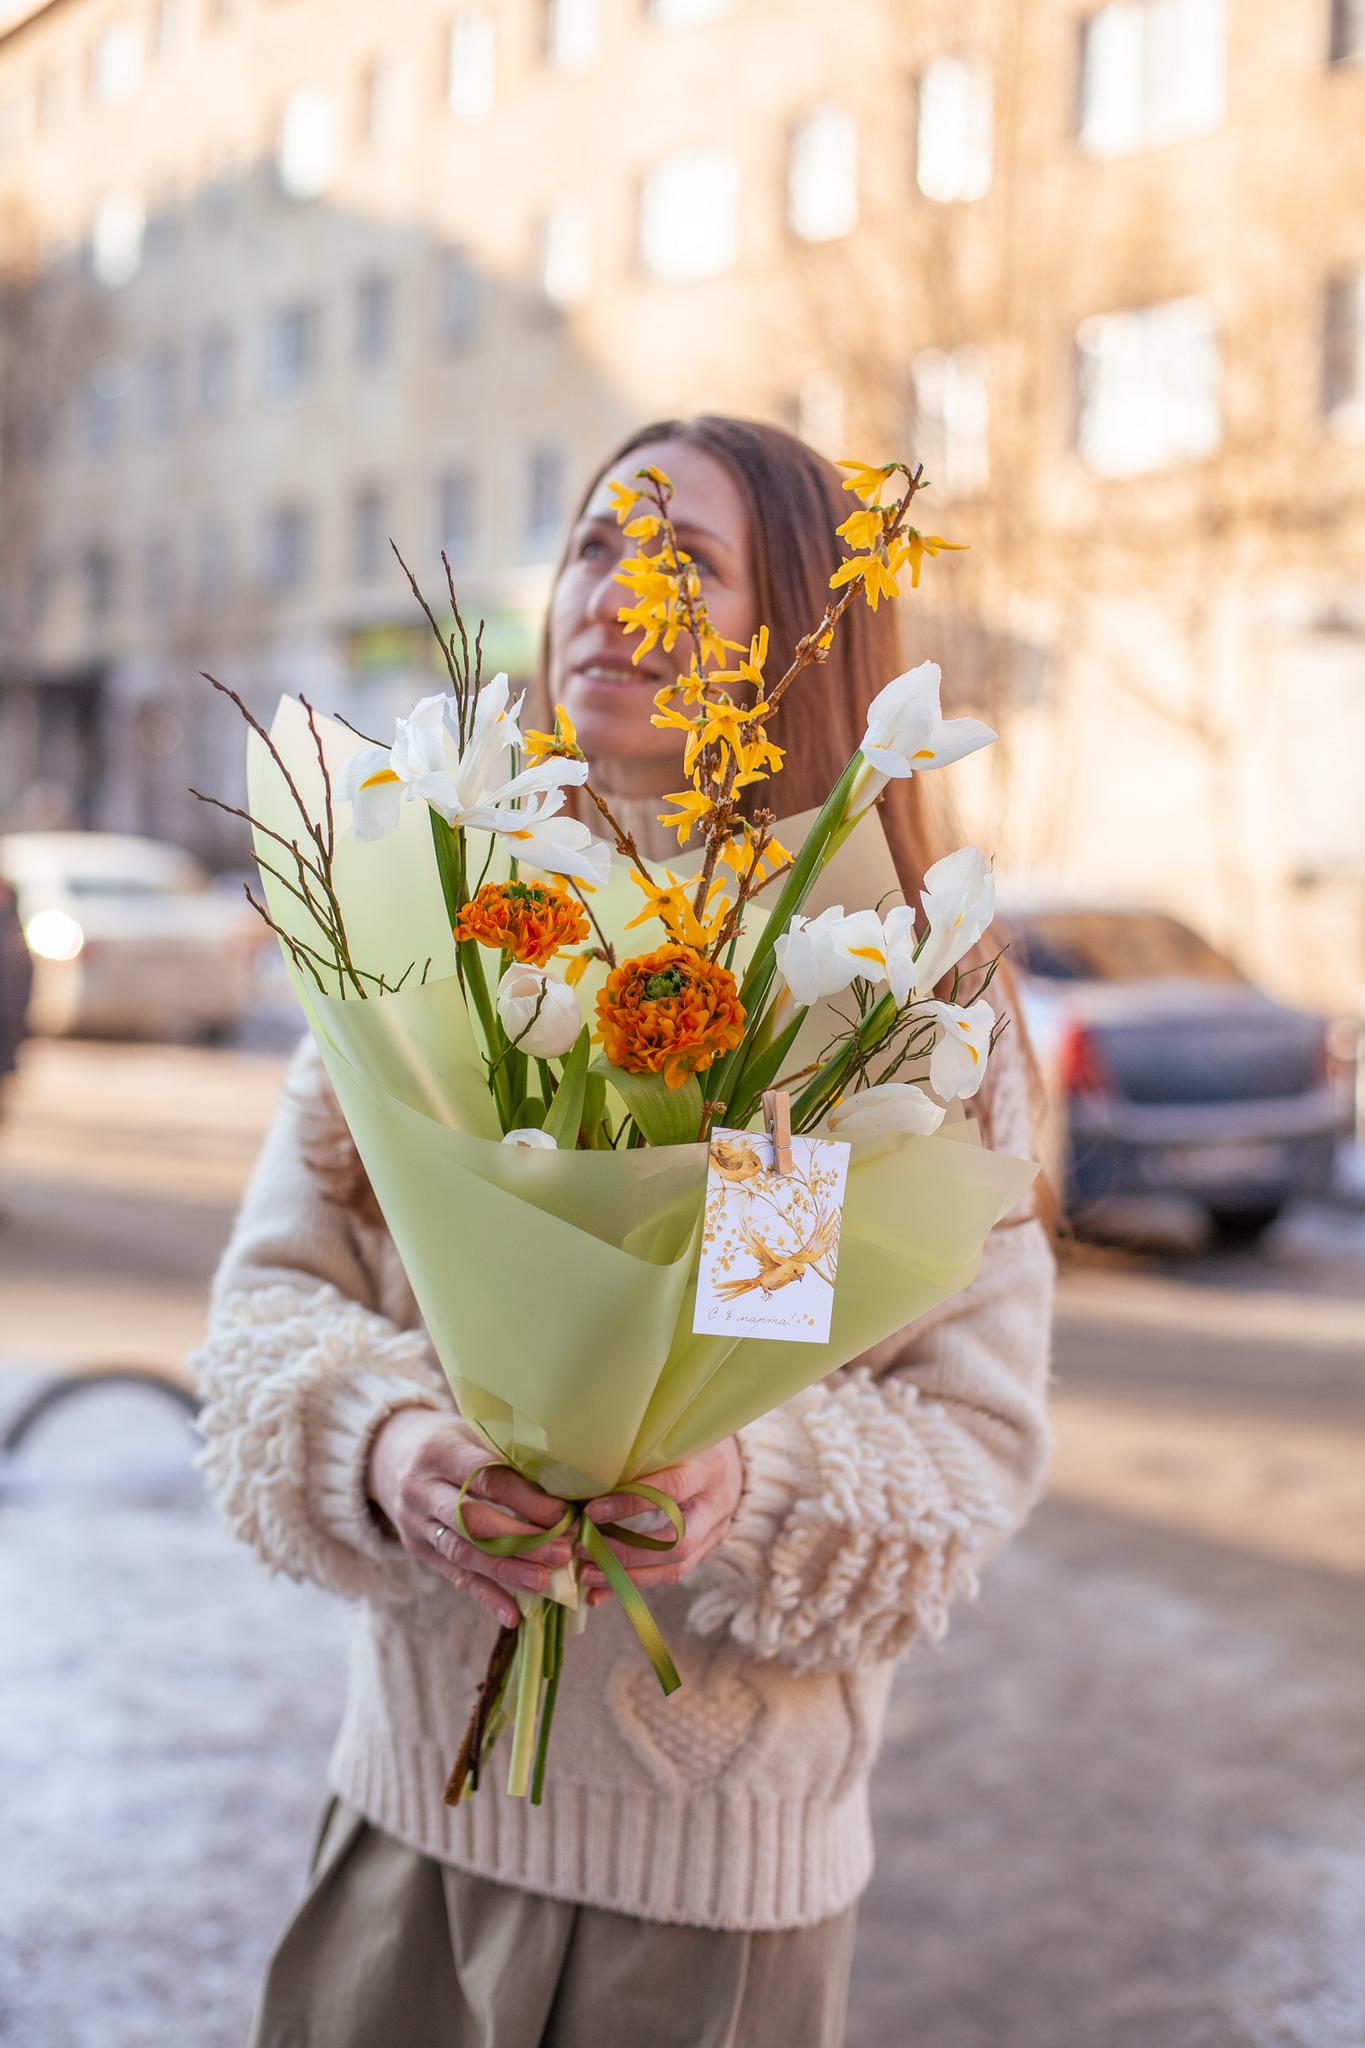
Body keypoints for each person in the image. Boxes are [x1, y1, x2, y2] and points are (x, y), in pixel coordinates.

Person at [191, 416, 1055, 2048]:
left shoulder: (879, 1006)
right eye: (595, 544)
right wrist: (389, 1450)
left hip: (712, 1909)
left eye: (685, 562)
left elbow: (968, 1451)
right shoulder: (436, 937)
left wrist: (738, 1482)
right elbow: (264, 1317)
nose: (616, 591)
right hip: (408, 1841)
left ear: (798, 630)